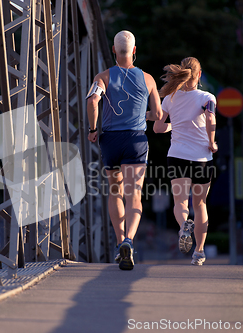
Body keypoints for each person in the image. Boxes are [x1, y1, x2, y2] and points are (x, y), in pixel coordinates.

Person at [86, 30, 163, 270]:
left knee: (115, 191)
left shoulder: (103, 77)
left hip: (111, 141)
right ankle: (129, 239)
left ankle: (120, 243)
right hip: (136, 141)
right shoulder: (148, 79)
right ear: (134, 51)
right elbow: (158, 115)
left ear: (113, 50)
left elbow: (91, 101)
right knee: (135, 195)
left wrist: (92, 128)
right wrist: (147, 116)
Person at [153, 57, 217, 266]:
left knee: (180, 202)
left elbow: (157, 128)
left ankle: (183, 227)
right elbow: (210, 119)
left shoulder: (170, 98)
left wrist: (173, 126)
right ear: (199, 75)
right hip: (201, 159)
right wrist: (212, 142)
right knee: (199, 205)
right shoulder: (207, 97)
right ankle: (198, 252)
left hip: (177, 155)